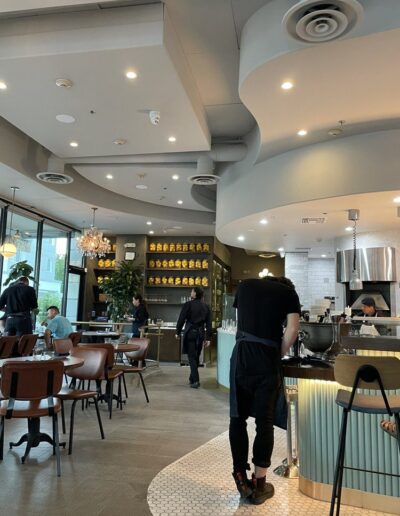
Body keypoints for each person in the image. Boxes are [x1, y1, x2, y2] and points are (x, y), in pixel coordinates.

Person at [229, 276, 300, 505]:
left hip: (240, 355)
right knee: (264, 421)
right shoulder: (289, 294)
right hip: (266, 358)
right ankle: (260, 485)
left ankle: (240, 476)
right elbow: (293, 329)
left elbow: (240, 322)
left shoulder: (245, 286)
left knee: (237, 418)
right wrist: (277, 352)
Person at [176, 287, 212, 389]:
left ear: (195, 294)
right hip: (200, 334)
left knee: (191, 357)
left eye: (192, 291)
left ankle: (196, 380)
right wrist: (208, 338)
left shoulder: (188, 304)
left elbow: (181, 319)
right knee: (196, 356)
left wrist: (177, 332)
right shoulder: (206, 307)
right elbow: (209, 324)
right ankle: (192, 378)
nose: (190, 292)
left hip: (190, 333)